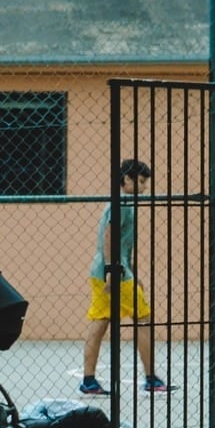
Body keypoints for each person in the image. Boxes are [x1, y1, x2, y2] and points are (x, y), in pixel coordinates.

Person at [82, 159, 167, 396]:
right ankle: (151, 378)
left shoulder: (124, 203)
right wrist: (113, 271)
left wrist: (131, 272)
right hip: (113, 272)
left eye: (145, 183)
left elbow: (122, 244)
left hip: (108, 270)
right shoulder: (123, 204)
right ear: (126, 180)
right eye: (139, 181)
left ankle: (88, 380)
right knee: (143, 318)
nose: (143, 187)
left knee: (100, 322)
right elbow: (110, 237)